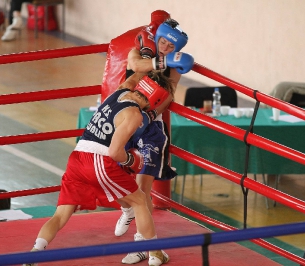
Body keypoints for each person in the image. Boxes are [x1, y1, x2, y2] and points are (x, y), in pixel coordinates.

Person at [22, 70, 174, 266]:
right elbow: (114, 152)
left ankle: (36, 251)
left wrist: (146, 73)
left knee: (60, 215)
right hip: (98, 161)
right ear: (155, 100)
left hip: (76, 158)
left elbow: (132, 78)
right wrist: (132, 161)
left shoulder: (118, 93)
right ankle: (155, 251)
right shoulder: (134, 114)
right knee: (139, 202)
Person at [114, 16, 194, 264]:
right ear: (157, 36)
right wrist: (162, 60)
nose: (167, 48)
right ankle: (127, 211)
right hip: (124, 118)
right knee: (114, 175)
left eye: (172, 47)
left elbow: (168, 96)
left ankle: (146, 247)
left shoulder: (174, 65)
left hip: (149, 125)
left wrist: (149, 116)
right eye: (164, 43)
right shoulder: (138, 49)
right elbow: (136, 65)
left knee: (143, 190)